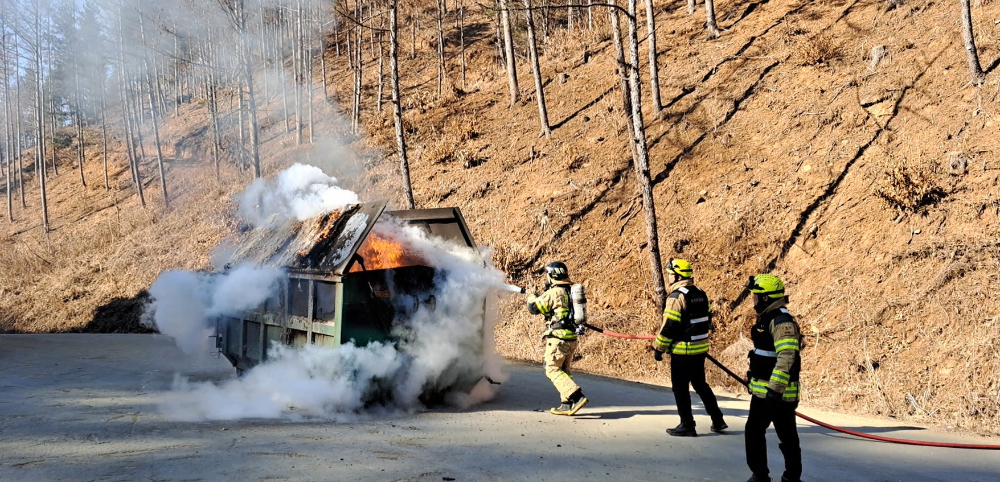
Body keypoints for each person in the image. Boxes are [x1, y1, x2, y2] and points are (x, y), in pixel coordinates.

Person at [651, 258, 727, 436]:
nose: (668, 277)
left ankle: (687, 425)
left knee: (680, 388)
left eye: (670, 274)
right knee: (701, 385)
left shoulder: (677, 297)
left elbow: (669, 325)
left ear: (677, 276)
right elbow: (706, 318)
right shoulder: (700, 292)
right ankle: (718, 420)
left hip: (683, 350)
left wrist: (658, 348)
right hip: (700, 348)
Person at [744, 274, 803, 482]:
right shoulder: (768, 317)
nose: (753, 299)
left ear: (766, 298)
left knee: (785, 437)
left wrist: (775, 389)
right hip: (764, 391)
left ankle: (786, 477)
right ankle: (765, 475)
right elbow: (764, 354)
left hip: (777, 394)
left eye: (756, 295)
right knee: (756, 432)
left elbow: (787, 355)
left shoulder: (781, 321)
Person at [526, 261, 589, 416]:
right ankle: (566, 404)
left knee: (552, 369)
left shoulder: (554, 292)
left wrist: (531, 297)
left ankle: (576, 396)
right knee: (564, 371)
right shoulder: (570, 290)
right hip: (571, 339)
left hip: (557, 340)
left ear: (552, 275)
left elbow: (534, 308)